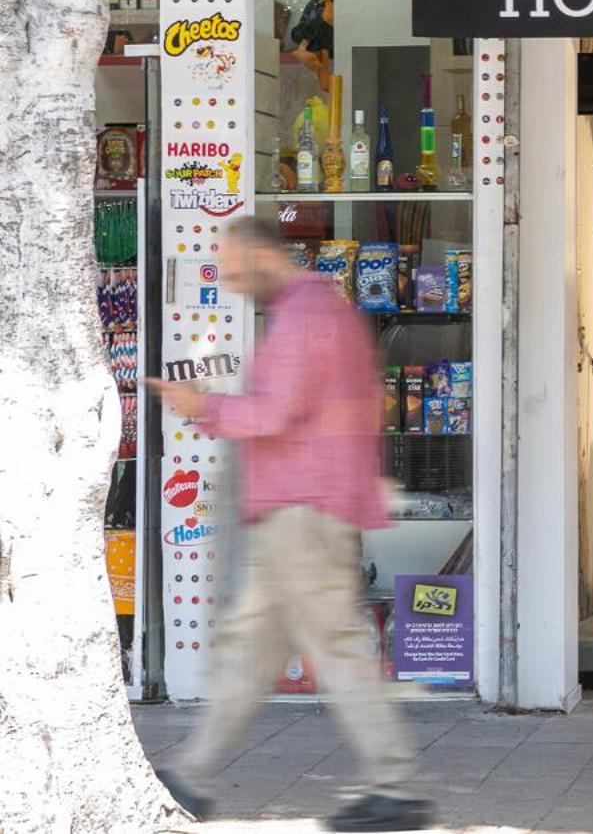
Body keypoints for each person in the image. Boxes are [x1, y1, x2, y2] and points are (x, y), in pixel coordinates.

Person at [146, 217, 431, 833]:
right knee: (252, 647)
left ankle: (393, 785)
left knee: (331, 645)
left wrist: (202, 405)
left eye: (234, 266)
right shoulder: (320, 312)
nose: (230, 279)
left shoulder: (304, 316)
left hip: (302, 510)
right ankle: (192, 775)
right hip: (301, 509)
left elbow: (273, 412)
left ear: (261, 255)